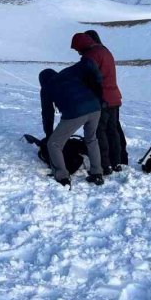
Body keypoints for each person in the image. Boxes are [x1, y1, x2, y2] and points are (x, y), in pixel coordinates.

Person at [39, 58, 106, 187]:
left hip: (75, 111)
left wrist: (49, 134)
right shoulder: (67, 73)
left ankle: (62, 177)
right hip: (95, 107)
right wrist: (99, 90)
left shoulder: (47, 87)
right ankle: (97, 173)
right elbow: (89, 62)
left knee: (54, 144)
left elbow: (47, 114)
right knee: (91, 139)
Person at [71, 31, 126, 174]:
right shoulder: (105, 51)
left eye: (77, 49)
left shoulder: (91, 56)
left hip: (101, 100)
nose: (78, 52)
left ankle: (104, 165)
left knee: (99, 132)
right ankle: (116, 162)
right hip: (114, 97)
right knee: (112, 131)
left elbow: (88, 78)